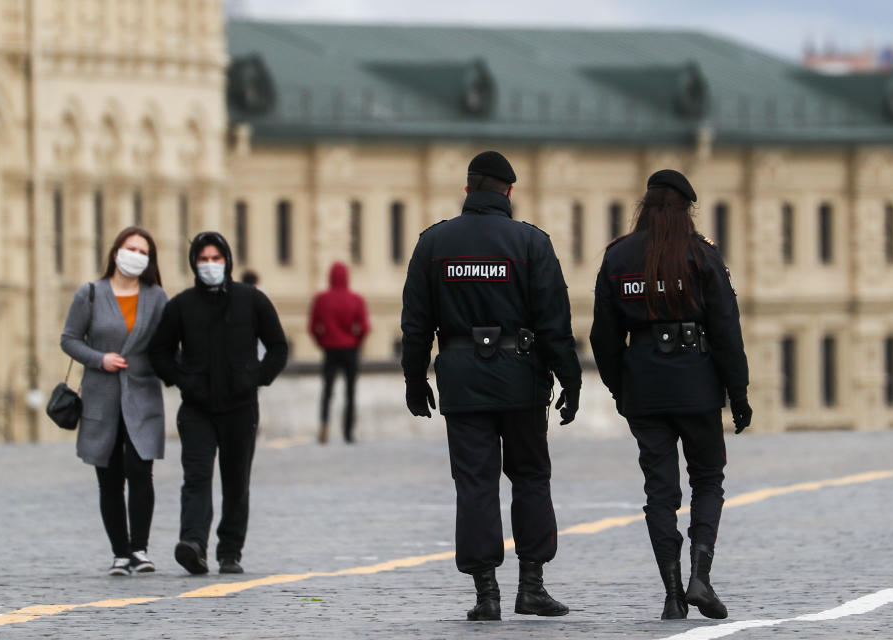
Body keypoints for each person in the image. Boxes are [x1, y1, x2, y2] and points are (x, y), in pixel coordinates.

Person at [401, 151, 582, 621]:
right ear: (508, 192)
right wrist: (571, 378)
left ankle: (486, 595)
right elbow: (554, 321)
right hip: (521, 378)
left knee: (475, 482)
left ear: (467, 190)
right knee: (529, 477)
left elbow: (416, 323)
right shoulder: (530, 243)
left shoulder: (433, 243)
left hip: (461, 379)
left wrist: (413, 378)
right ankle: (532, 586)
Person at [589, 169, 751, 620]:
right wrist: (737, 395)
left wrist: (622, 389)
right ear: (686, 211)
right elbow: (725, 331)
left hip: (644, 387)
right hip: (697, 385)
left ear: (644, 207)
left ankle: (673, 593)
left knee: (659, 493)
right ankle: (701, 574)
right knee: (708, 479)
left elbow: (603, 336)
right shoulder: (701, 255)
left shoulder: (618, 258)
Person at [148, 231, 288, 575]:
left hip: (241, 408)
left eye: (216, 258)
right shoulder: (181, 305)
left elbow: (278, 346)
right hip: (197, 408)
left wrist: (255, 377)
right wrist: (182, 379)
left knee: (235, 480)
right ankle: (193, 544)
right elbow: (159, 351)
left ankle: (230, 551)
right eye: (203, 259)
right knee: (196, 476)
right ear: (194, 264)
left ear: (227, 261)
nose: (210, 265)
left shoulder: (251, 300)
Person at [60, 226, 168, 576]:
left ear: (149, 260)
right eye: (129, 248)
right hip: (101, 397)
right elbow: (70, 340)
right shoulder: (90, 293)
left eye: (142, 251)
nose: (134, 256)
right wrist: (99, 359)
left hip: (142, 395)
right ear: (115, 252)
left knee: (141, 470)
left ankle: (140, 549)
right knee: (109, 476)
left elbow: (166, 344)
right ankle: (120, 552)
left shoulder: (156, 297)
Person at [308, 262, 370, 444]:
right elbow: (364, 327)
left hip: (330, 349)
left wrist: (322, 342)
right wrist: (356, 342)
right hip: (350, 349)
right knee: (350, 392)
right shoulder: (356, 299)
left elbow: (313, 326)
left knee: (327, 391)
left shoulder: (321, 299)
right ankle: (348, 432)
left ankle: (324, 427)